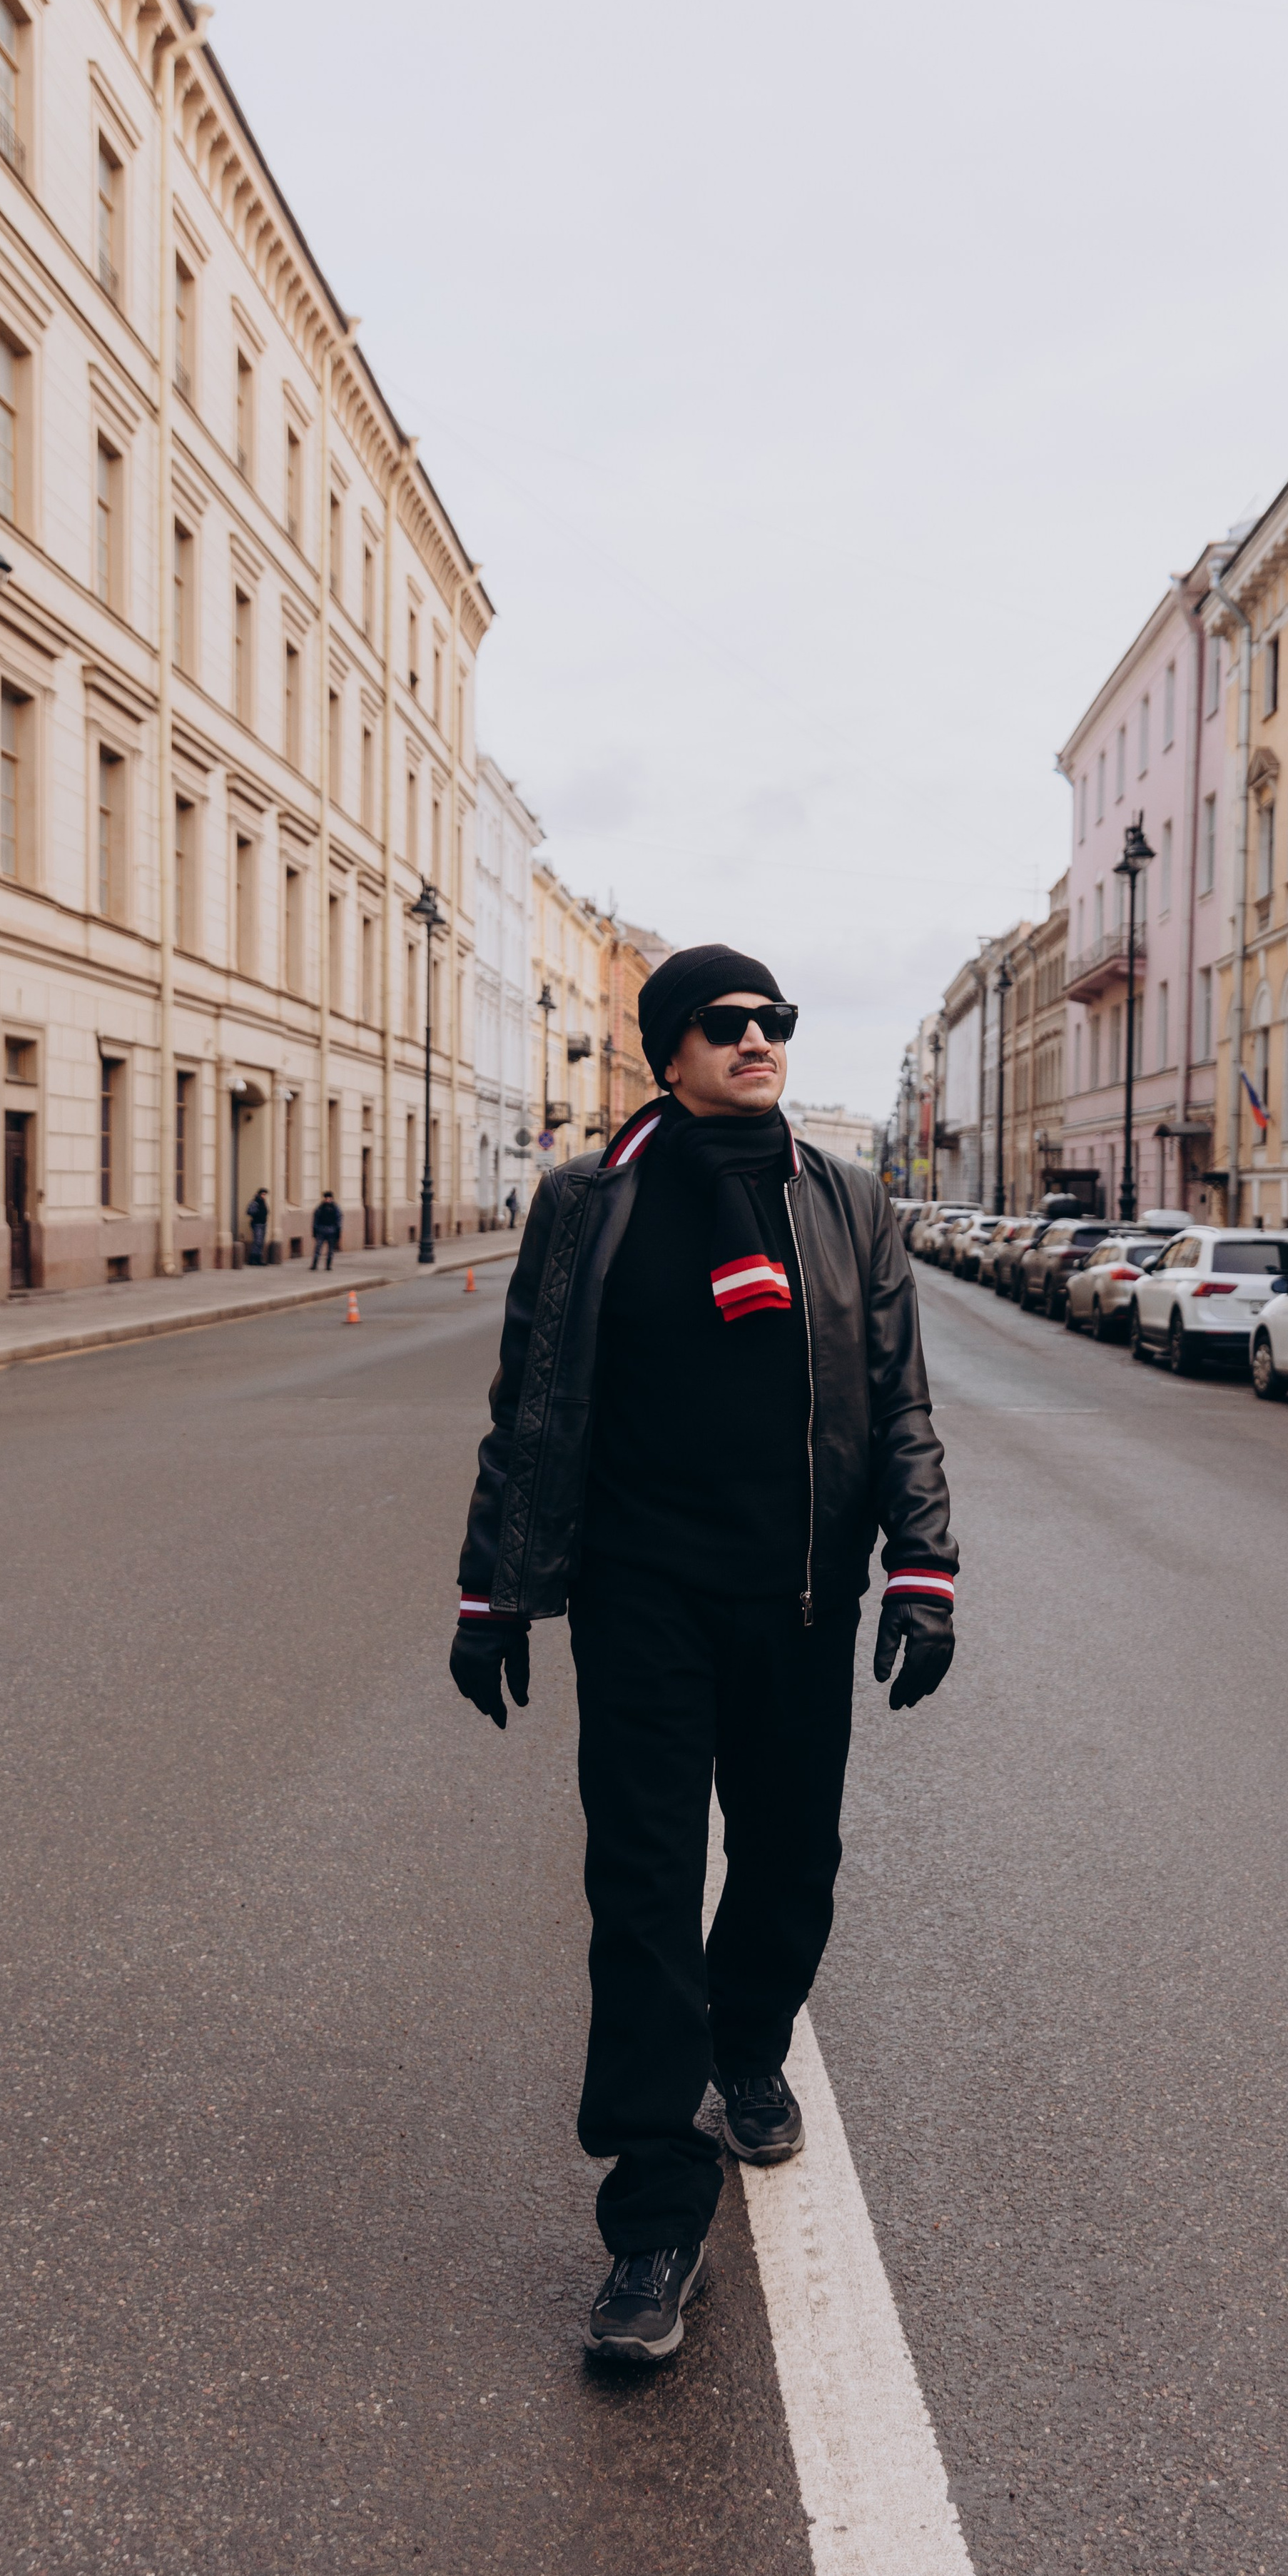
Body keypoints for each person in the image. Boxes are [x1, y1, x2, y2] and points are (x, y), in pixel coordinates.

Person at [449, 944, 956, 2364]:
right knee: (644, 1887)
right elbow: (531, 1403)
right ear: (665, 1052)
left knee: (793, 1860)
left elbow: (896, 1395)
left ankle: (747, 2048)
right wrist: (492, 1590)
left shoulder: (846, 1203)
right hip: (643, 1599)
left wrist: (921, 1568)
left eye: (774, 1021)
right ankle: (653, 2213)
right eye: (725, 1024)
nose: (756, 1040)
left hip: (801, 1595)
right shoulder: (592, 1203)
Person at [311, 1191, 343, 1272]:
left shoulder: (335, 1208)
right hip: (321, 1230)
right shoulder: (321, 1208)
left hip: (332, 1231)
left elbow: (339, 1220)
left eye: (329, 1198)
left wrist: (338, 1231)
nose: (327, 1200)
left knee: (330, 1250)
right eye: (326, 1198)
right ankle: (315, 1264)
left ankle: (328, 1265)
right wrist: (315, 1230)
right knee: (318, 1248)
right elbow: (316, 1219)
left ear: (332, 1199)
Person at [245, 1187, 269, 1265]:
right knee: (257, 1241)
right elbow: (249, 1211)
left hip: (263, 1224)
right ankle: (253, 1259)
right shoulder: (256, 1202)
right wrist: (257, 1214)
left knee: (261, 1242)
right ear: (259, 1194)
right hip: (257, 1224)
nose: (264, 1196)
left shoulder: (263, 1202)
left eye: (265, 1194)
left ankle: (259, 1259)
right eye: (263, 1194)